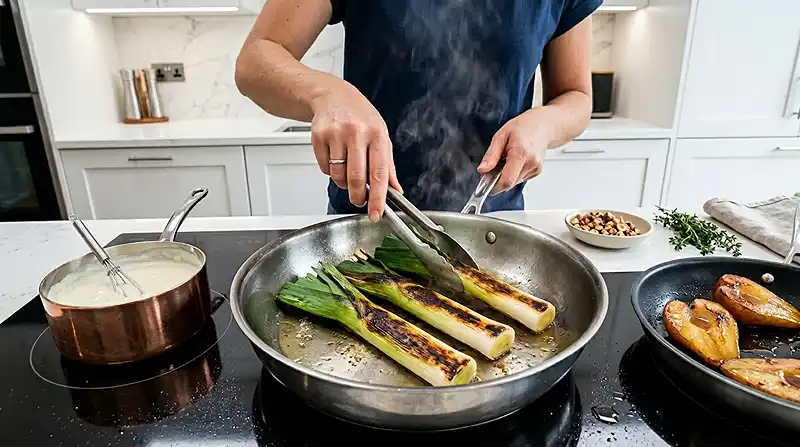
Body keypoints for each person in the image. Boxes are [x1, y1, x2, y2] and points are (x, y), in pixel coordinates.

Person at [236, 0, 600, 222]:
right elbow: (255, 60)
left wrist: (544, 124)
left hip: (495, 221)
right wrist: (327, 93)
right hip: (369, 219)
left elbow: (576, 96)